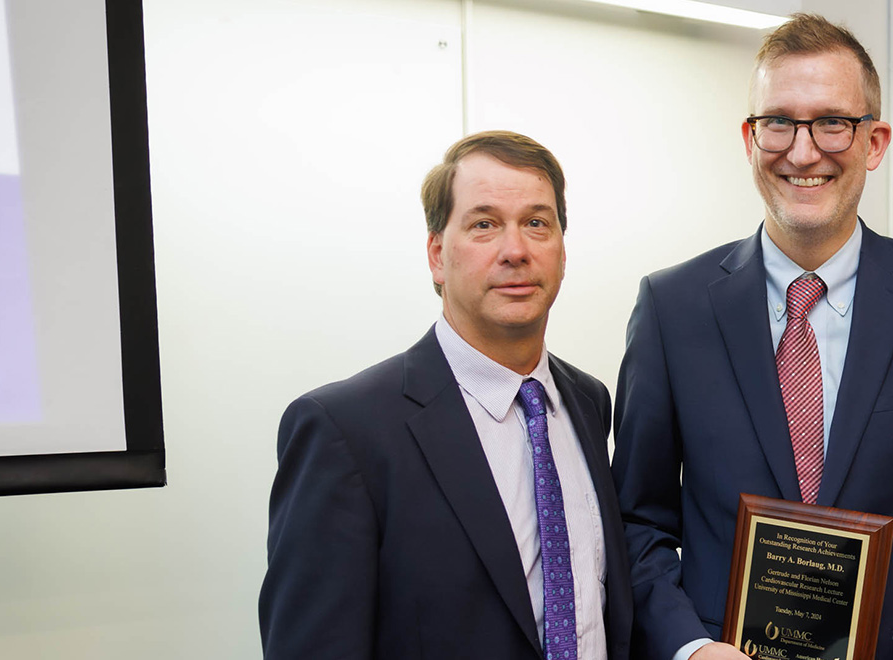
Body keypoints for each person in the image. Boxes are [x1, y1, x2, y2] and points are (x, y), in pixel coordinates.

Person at [612, 13, 893, 660]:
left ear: (875, 141)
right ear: (750, 138)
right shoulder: (672, 308)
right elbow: (637, 524)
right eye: (779, 122)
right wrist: (689, 648)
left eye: (833, 122)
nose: (803, 152)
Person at [260, 131, 632, 659]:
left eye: (537, 223)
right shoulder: (345, 431)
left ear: (562, 250)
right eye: (484, 225)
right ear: (437, 254)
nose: (516, 250)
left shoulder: (588, 403)